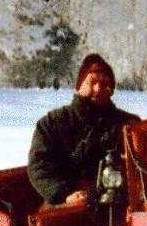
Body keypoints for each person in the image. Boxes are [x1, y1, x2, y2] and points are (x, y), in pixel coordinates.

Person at [27, 52, 139, 206]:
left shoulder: (128, 124)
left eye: (105, 83)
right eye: (92, 82)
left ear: (112, 89)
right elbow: (39, 167)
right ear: (79, 85)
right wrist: (64, 195)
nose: (98, 88)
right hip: (66, 203)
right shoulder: (53, 123)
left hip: (116, 203)